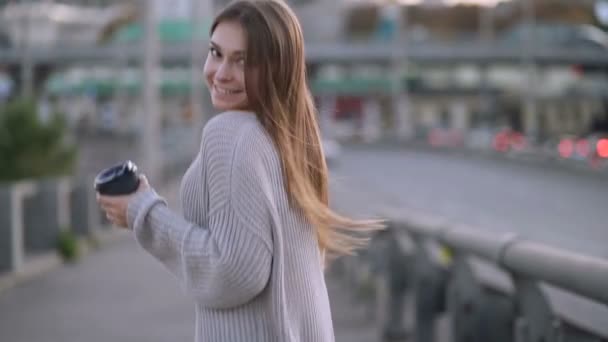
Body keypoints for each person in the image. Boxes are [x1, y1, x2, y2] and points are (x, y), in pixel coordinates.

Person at [97, 0, 382, 341]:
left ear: (275, 68)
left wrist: (142, 211)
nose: (220, 73)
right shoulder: (290, 138)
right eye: (216, 53)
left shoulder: (231, 133)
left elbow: (234, 272)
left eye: (242, 61)